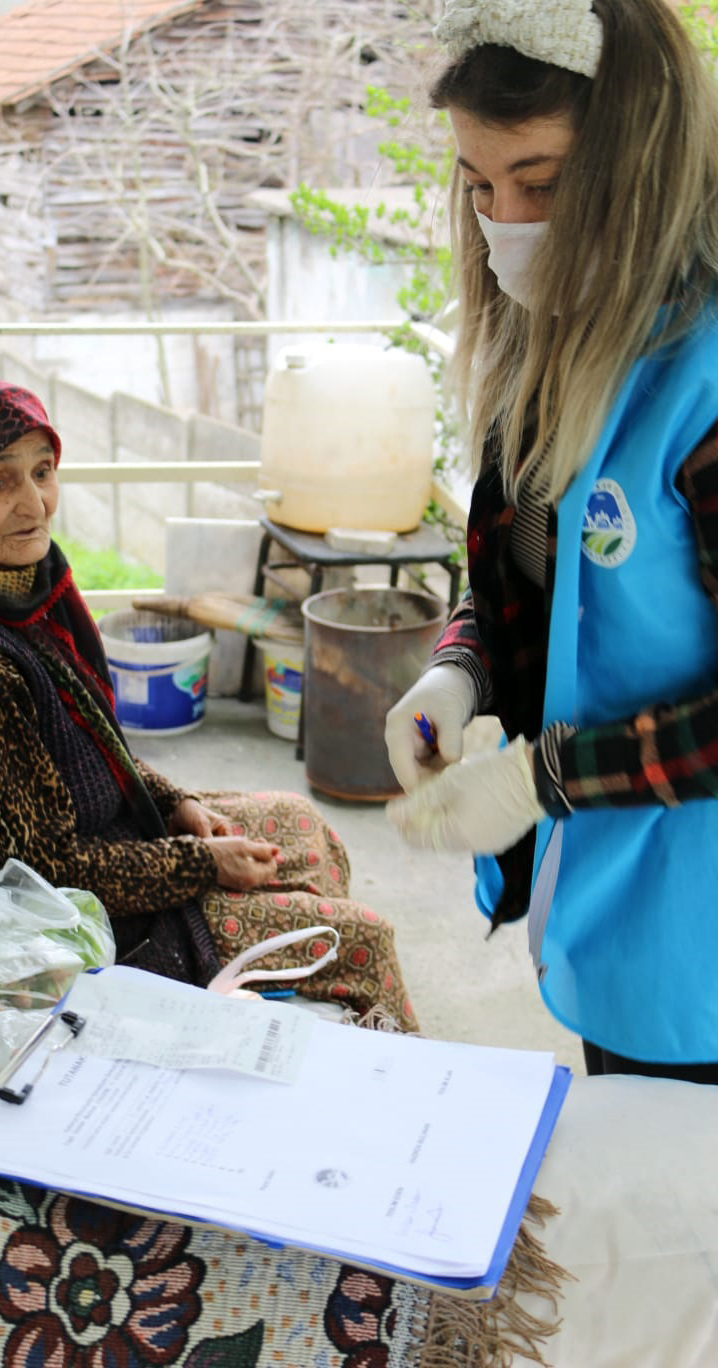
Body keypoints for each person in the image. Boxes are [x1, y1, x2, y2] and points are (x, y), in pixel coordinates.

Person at [0, 377, 417, 1028]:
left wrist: (174, 803)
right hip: (31, 927)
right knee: (362, 940)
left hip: (94, 847)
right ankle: (368, 1067)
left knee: (300, 824)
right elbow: (43, 872)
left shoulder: (5, 582)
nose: (35, 504)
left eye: (42, 471)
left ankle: (291, 1009)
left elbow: (83, 737)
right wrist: (201, 865)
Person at [385, 0, 718, 1080]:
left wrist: (549, 779)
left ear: (641, 164)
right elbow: (537, 569)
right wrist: (458, 671)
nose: (506, 222)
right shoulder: (548, 346)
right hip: (599, 912)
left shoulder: (701, 382)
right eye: (479, 186)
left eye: (542, 179)